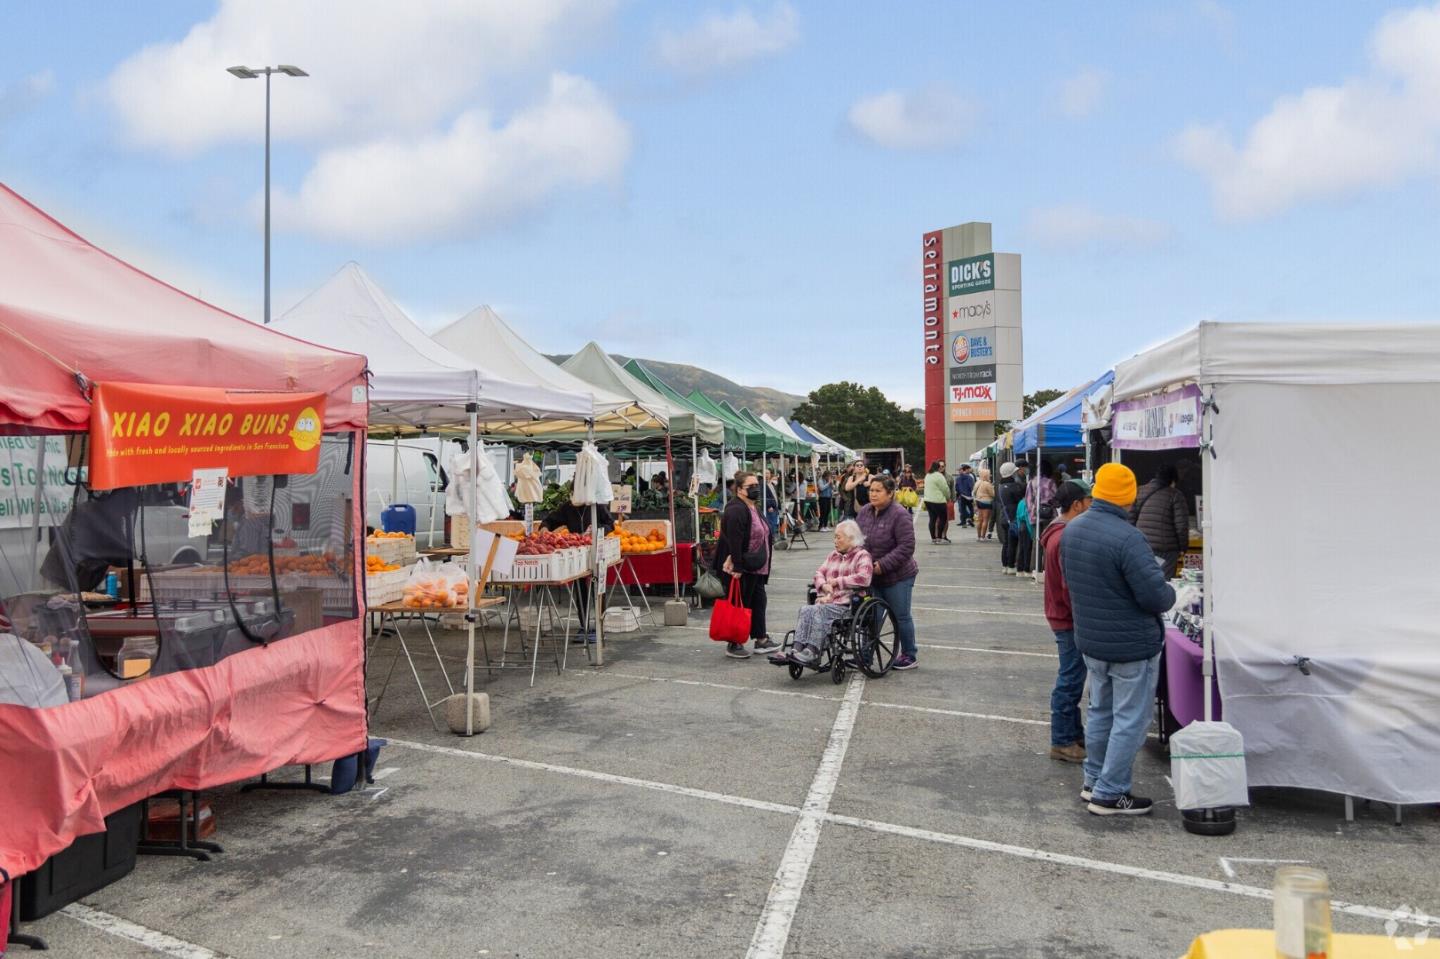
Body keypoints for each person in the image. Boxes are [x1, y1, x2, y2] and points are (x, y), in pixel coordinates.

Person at [1061, 463, 1176, 816]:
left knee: (1100, 713)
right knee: (1130, 719)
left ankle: (1093, 781)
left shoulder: (1073, 530)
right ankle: (1111, 792)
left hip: (1092, 640)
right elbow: (1155, 597)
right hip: (1130, 644)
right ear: (1128, 497)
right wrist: (1170, 591)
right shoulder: (1128, 537)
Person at [1041, 480, 1092, 763]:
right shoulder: (1063, 537)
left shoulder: (1057, 532)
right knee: (1070, 679)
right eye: (1089, 501)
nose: (1092, 506)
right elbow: (1067, 587)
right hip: (1067, 618)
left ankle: (1073, 733)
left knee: (1072, 677)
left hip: (1062, 615)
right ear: (1077, 504)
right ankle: (1062, 740)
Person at [780, 520, 873, 666]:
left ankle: (812, 651)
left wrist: (838, 582)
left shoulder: (862, 556)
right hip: (827, 603)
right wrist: (823, 585)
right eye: (834, 537)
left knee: (818, 610)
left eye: (838, 537)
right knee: (805, 609)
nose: (835, 541)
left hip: (847, 607)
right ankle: (796, 649)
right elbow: (819, 573)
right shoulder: (833, 555)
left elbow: (864, 579)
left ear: (851, 538)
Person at [713, 471, 780, 658]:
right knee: (740, 603)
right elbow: (734, 541)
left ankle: (761, 639)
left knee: (758, 601)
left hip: (756, 566)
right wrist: (738, 567)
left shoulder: (752, 506)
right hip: (742, 567)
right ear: (740, 490)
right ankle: (734, 642)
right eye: (751, 486)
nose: (756, 489)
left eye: (757, 485)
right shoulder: (736, 509)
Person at [856, 475, 919, 670]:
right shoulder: (865, 512)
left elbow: (906, 547)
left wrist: (882, 565)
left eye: (878, 491)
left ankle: (909, 655)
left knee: (900, 616)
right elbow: (856, 539)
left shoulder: (900, 514)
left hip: (898, 576)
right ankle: (866, 654)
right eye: (871, 490)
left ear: (890, 493)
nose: (873, 494)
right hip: (872, 576)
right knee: (870, 617)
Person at [544, 495, 615, 643]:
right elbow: (550, 520)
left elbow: (610, 524)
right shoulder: (567, 507)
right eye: (571, 496)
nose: (574, 499)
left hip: (596, 551)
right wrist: (544, 527)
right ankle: (584, 625)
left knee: (598, 588)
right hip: (577, 552)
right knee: (580, 589)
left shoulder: (596, 505)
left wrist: (597, 530)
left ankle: (599, 624)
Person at [1129, 464, 1189, 578]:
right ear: (1172, 480)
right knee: (1163, 581)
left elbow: (1130, 520)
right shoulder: (1175, 495)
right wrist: (1183, 548)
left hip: (1142, 546)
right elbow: (1181, 526)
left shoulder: (1139, 491)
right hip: (1166, 550)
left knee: (1144, 579)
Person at [996, 462, 1025, 574]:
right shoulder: (1014, 486)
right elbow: (1020, 497)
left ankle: (1005, 565)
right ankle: (1011, 565)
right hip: (1012, 517)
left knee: (1006, 543)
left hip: (1004, 516)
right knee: (1012, 542)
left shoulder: (1000, 486)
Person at [922, 460, 953, 544]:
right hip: (938, 501)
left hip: (928, 500)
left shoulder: (927, 475)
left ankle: (933, 538)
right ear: (938, 467)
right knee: (943, 519)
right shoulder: (939, 476)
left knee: (932, 519)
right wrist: (948, 497)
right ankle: (939, 537)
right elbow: (945, 489)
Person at [973, 467, 996, 540]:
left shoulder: (978, 482)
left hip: (978, 501)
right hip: (986, 502)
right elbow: (992, 494)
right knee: (985, 519)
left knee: (980, 519)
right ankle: (983, 536)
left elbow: (974, 492)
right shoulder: (987, 484)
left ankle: (978, 536)